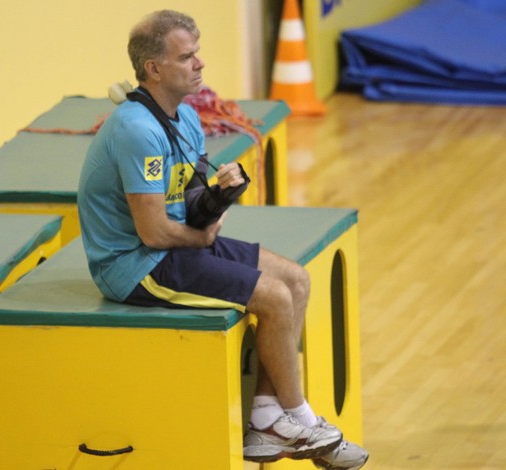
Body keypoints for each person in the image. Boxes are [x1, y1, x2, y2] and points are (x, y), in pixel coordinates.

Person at [77, 9, 368, 469]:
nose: (200, 65)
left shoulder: (186, 120)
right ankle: (299, 418)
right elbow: (152, 232)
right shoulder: (137, 130)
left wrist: (217, 197)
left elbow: (191, 204)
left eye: (198, 54)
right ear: (153, 68)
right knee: (272, 296)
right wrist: (205, 230)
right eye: (187, 57)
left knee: (294, 280)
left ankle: (268, 417)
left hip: (176, 245)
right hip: (134, 265)